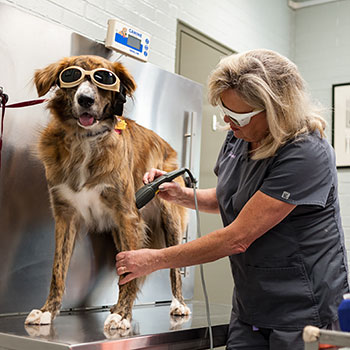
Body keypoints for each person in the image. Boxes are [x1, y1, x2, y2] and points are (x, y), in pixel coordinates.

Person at [115, 49, 349, 349]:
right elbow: (233, 197)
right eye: (224, 111)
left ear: (276, 110)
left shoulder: (305, 153)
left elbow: (237, 238)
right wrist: (182, 194)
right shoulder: (240, 135)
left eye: (237, 115)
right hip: (251, 304)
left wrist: (154, 260)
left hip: (302, 310)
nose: (228, 121)